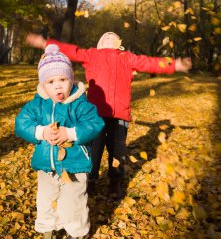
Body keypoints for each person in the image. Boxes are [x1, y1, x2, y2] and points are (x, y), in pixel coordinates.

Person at [25, 32, 192, 200]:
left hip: (119, 115)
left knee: (117, 150)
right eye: (105, 37)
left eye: (114, 37)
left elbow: (149, 63)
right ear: (99, 44)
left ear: (119, 43)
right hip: (94, 116)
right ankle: (90, 181)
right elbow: (71, 51)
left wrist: (175, 64)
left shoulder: (127, 57)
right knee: (94, 149)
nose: (110, 37)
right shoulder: (92, 55)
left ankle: (115, 182)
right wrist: (45, 43)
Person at [15, 44, 104, 239]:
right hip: (47, 164)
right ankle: (48, 230)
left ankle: (77, 231)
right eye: (51, 82)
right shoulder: (38, 104)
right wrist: (41, 132)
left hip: (74, 164)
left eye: (63, 80)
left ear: (71, 80)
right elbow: (21, 123)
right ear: (43, 84)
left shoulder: (80, 104)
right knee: (46, 199)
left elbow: (95, 123)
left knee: (72, 200)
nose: (58, 87)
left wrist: (71, 133)